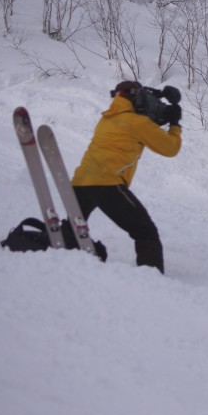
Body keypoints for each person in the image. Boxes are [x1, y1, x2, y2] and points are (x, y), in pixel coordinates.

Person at [71, 81, 182, 274]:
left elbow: (143, 124)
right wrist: (174, 124)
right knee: (146, 233)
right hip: (107, 185)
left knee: (74, 227)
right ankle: (151, 278)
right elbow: (171, 148)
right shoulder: (137, 123)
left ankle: (57, 252)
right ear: (136, 98)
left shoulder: (107, 119)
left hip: (81, 182)